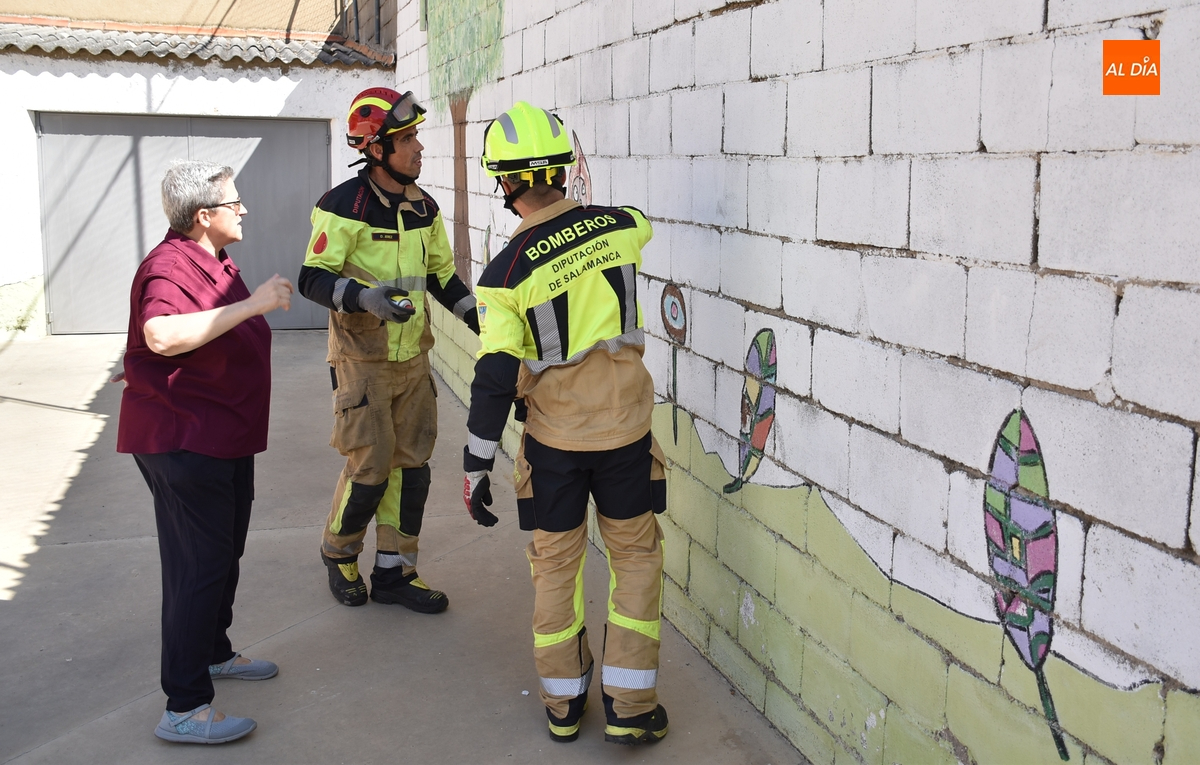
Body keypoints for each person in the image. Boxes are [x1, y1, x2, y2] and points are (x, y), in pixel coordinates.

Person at [462, 102, 669, 746]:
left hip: (553, 444)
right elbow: (634, 227)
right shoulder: (623, 225)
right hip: (627, 435)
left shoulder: (502, 278)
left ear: (504, 184)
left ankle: (562, 704)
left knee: (556, 565)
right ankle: (631, 710)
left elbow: (496, 377)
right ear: (564, 167)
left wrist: (475, 465)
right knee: (634, 557)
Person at [117, 160, 293, 744]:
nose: (243, 209)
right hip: (184, 441)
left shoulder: (211, 258)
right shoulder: (168, 265)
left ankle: (214, 651)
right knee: (197, 566)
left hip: (221, 436)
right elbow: (161, 334)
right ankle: (185, 706)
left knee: (223, 552)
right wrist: (255, 305)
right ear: (204, 216)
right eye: (234, 202)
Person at [299, 88, 479, 612]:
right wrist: (364, 299)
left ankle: (395, 572)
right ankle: (339, 552)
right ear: (376, 150)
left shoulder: (425, 207)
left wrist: (480, 321)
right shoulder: (341, 207)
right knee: (370, 468)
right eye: (407, 139)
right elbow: (312, 279)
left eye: (417, 136)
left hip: (412, 360)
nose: (419, 147)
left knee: (412, 467)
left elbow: (443, 277)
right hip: (363, 362)